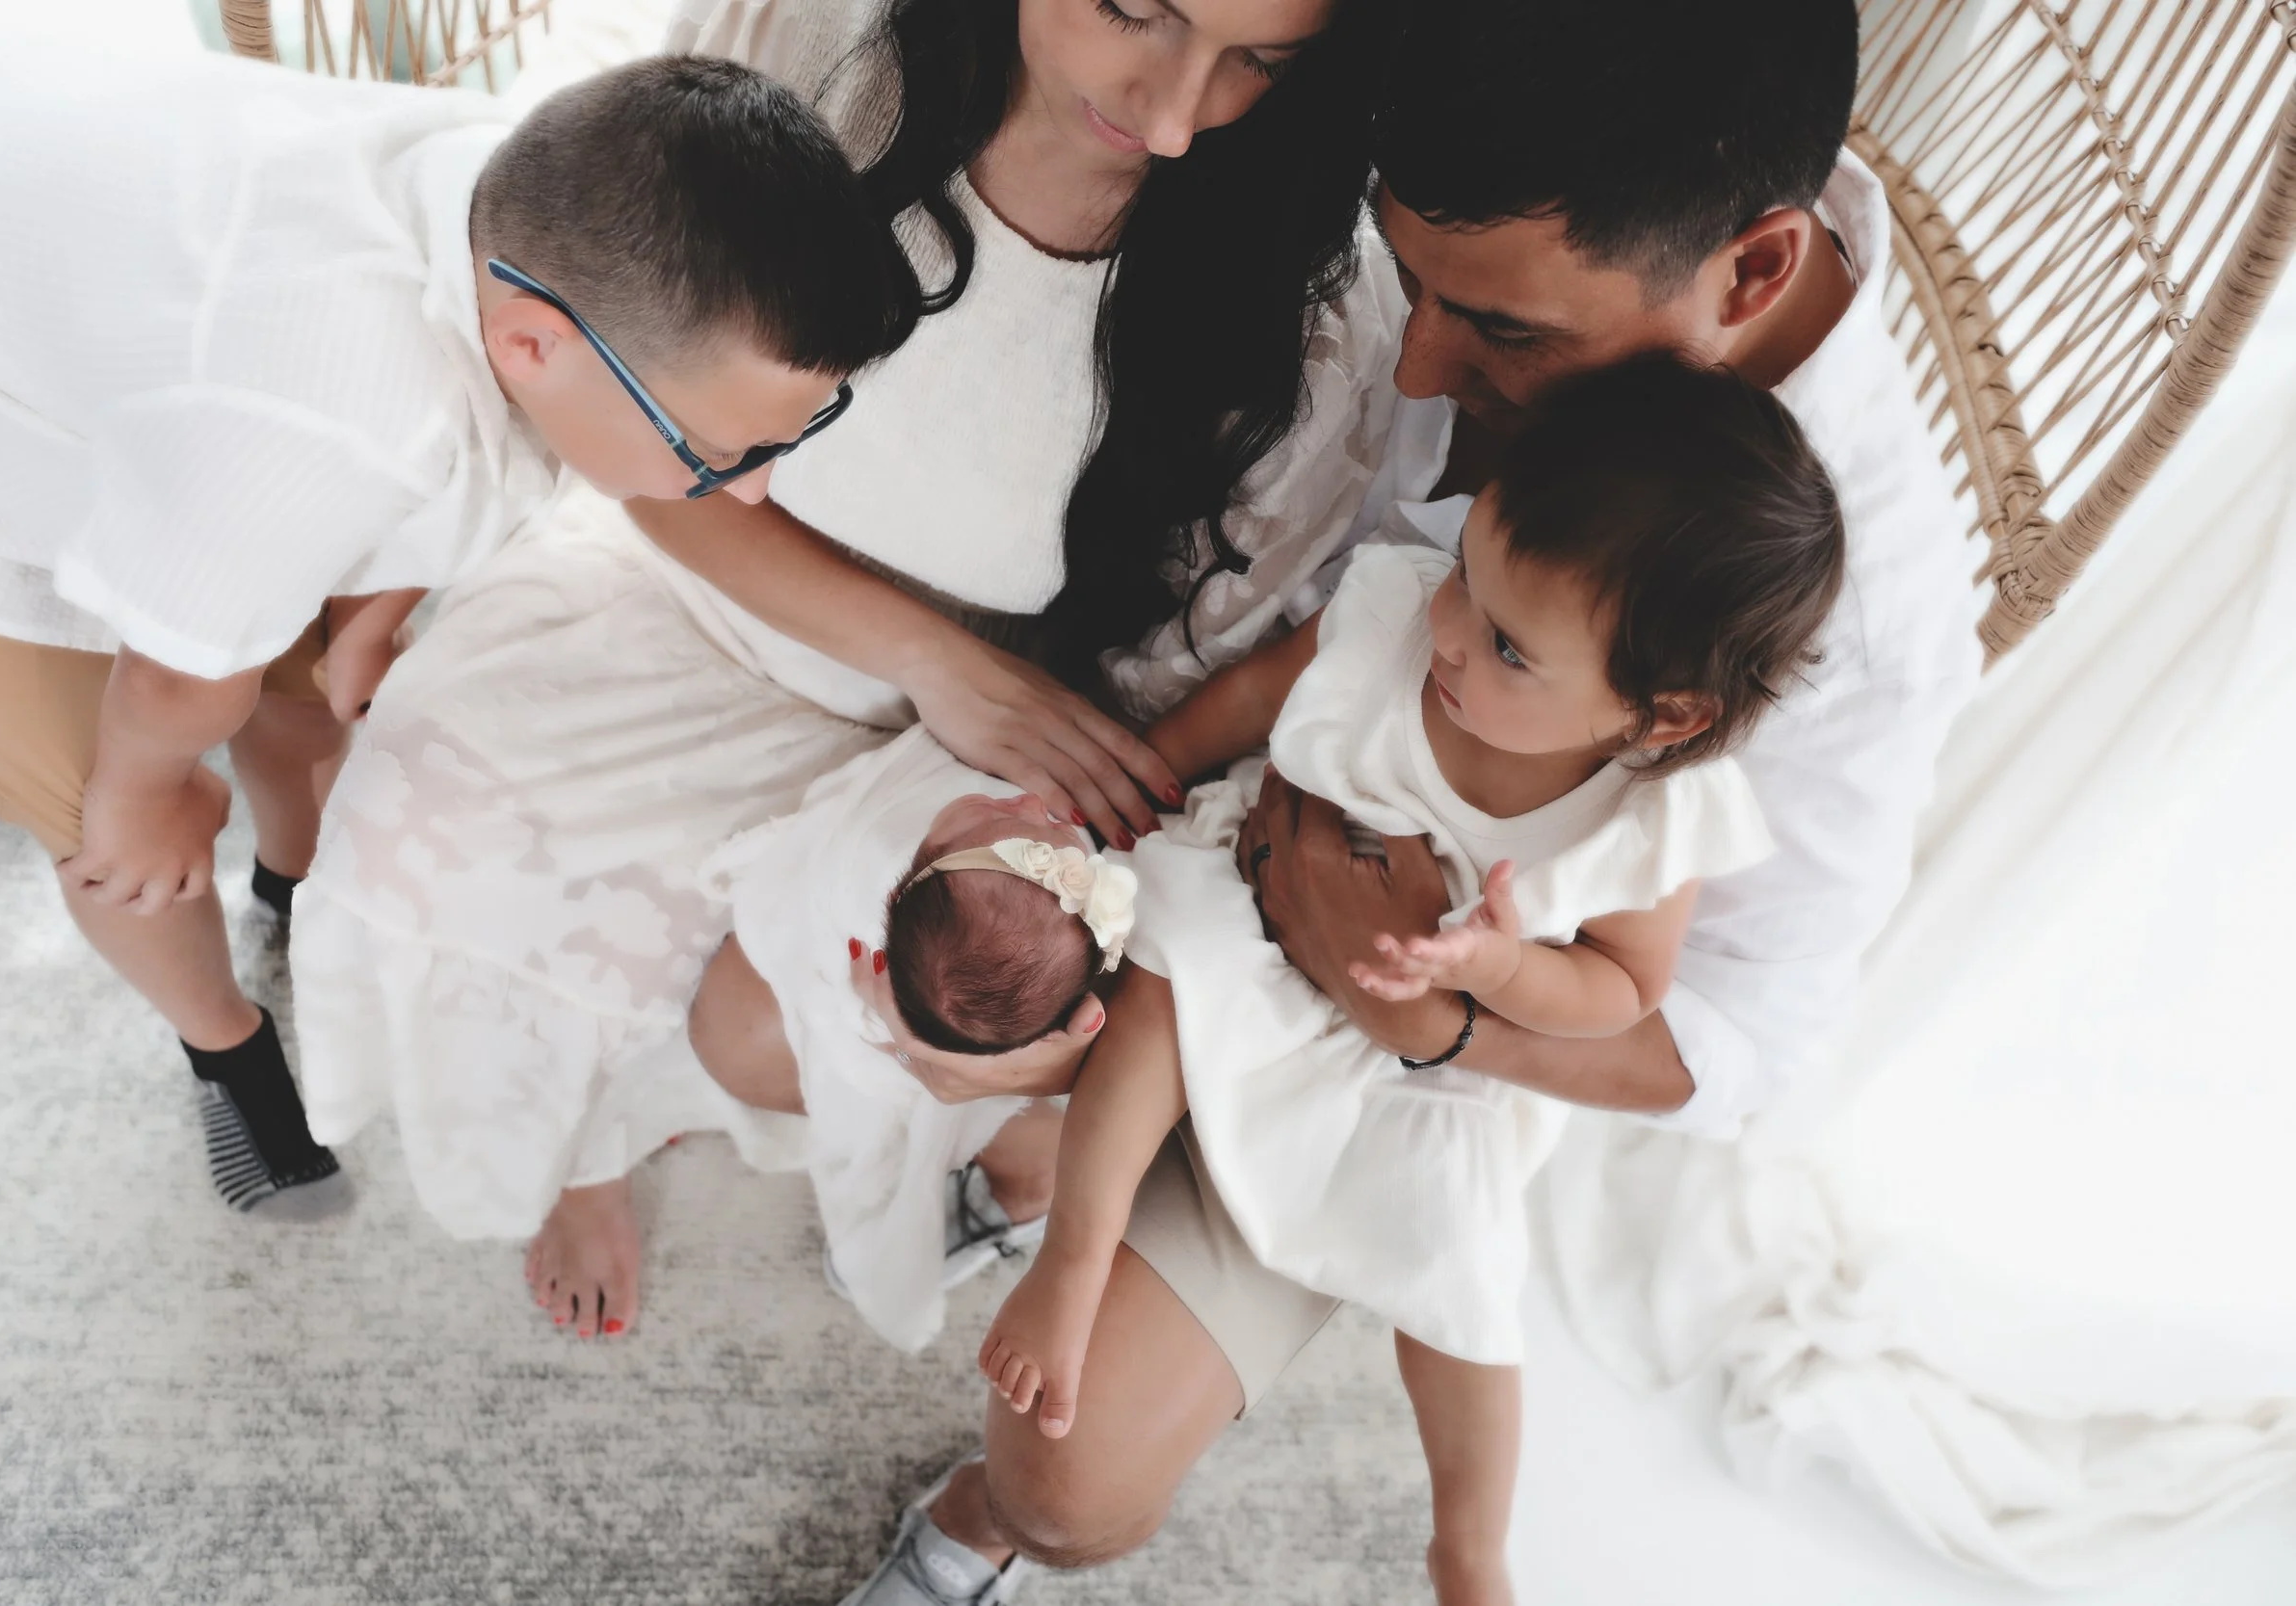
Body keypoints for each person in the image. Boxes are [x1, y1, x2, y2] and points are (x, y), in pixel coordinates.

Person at [840, 1, 1985, 1602]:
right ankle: (1057, 1144)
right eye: (1412, 281)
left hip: (1394, 1036)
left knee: (1072, 1484)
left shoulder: (1854, 622)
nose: (1424, 360)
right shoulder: (1504, 144)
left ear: (1752, 274)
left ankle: (1003, 1491)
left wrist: (1431, 1016)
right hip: (1184, 772)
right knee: (834, 1009)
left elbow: (1734, 1047)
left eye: (1502, 333)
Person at [289, 0, 1408, 1339]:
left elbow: (1172, 681)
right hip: (687, 571)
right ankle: (576, 1146)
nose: (1172, 118)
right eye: (1135, 12)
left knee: (831, 1020)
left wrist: (991, 774)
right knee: (419, 809)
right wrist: (926, 653)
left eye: (1256, 65)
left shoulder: (1305, 303)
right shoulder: (818, 48)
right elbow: (626, 422)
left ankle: (672, 1110)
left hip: (971, 724)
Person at [0, 45, 918, 1217]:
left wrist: (370, 611)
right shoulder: (340, 417)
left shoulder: (540, 209)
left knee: (302, 685)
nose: (750, 495)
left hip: (124, 326)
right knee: (112, 827)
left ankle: (290, 870)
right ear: (537, 345)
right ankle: (222, 1042)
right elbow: (178, 680)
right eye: (717, 451)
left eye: (791, 434)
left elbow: (392, 496)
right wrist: (145, 794)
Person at [975, 357, 1841, 1605]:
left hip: (1429, 1062)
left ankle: (1469, 1540)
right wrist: (1127, 791)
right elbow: (1257, 698)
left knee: (1466, 1272)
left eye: (1503, 644)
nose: (1445, 632)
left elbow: (1622, 992)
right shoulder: (1398, 618)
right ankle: (1075, 1250)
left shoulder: (1652, 820)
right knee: (1172, 963)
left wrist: (1497, 969)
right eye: (1463, 575)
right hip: (1258, 917)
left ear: (1657, 718)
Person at [687, 724, 1138, 1353]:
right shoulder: (1047, 894)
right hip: (911, 1029)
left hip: (909, 1039)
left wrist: (898, 1048)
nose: (1032, 803)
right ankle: (1004, 1150)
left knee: (877, 1101)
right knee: (792, 1055)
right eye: (1023, 818)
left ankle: (1017, 1164)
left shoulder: (944, 876)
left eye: (1050, 831)